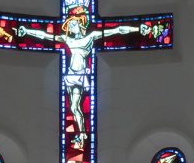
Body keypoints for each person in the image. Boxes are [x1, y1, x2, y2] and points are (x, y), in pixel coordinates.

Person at [17, 8, 141, 149]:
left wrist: (136, 29)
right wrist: (26, 31)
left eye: (72, 24)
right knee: (73, 107)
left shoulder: (91, 36)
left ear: (80, 24)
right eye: (69, 26)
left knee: (76, 106)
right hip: (70, 74)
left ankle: (82, 133)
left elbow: (116, 30)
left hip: (81, 75)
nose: (70, 27)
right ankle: (80, 133)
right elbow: (45, 36)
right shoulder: (67, 39)